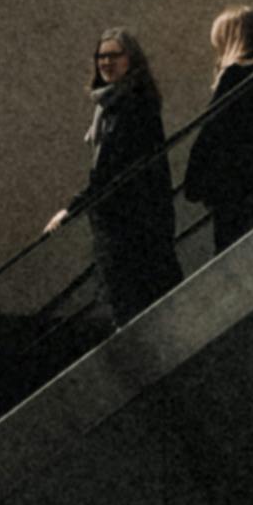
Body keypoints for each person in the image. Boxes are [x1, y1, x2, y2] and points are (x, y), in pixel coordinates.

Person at [45, 28, 177, 329]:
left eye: (114, 55)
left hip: (130, 226)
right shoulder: (113, 104)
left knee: (130, 303)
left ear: (131, 59)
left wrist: (72, 207)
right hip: (129, 222)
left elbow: (111, 170)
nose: (105, 62)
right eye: (101, 56)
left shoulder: (129, 105)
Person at [179, 4, 253, 256]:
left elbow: (213, 132)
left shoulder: (234, 76)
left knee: (233, 257)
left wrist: (194, 183)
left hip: (236, 192)